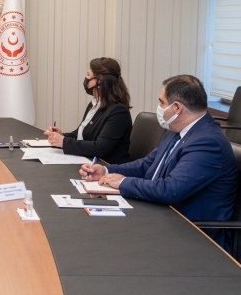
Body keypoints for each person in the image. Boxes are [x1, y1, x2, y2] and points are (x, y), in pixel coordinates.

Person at [80, 75, 237, 250]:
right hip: (160, 214)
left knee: (105, 243)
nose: (159, 107)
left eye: (161, 102)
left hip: (191, 234)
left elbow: (170, 190)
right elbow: (148, 163)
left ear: (177, 108)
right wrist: (107, 171)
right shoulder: (177, 129)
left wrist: (123, 182)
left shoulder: (207, 143)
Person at [44, 57, 133, 164]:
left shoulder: (119, 112)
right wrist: (62, 135)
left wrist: (64, 142)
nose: (86, 79)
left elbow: (100, 147)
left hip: (107, 168)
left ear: (100, 81)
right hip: (88, 162)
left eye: (88, 75)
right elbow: (81, 134)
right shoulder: (94, 104)